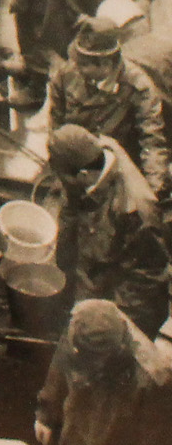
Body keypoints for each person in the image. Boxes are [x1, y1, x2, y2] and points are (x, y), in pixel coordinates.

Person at [48, 124, 170, 337]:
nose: (62, 184)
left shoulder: (135, 212)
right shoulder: (92, 155)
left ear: (84, 175)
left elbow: (144, 288)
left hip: (126, 307)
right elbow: (73, 222)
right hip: (94, 278)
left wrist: (100, 323)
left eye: (64, 178)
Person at [34, 299, 172, 445]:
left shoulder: (153, 378)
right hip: (76, 431)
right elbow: (60, 364)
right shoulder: (81, 324)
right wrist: (46, 413)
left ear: (118, 349)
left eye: (94, 363)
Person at [47, 16, 168, 198]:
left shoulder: (139, 87)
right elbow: (56, 123)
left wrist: (153, 190)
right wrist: (60, 170)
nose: (75, 68)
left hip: (115, 167)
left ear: (105, 65)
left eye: (83, 65)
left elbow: (151, 141)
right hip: (77, 162)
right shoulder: (67, 74)